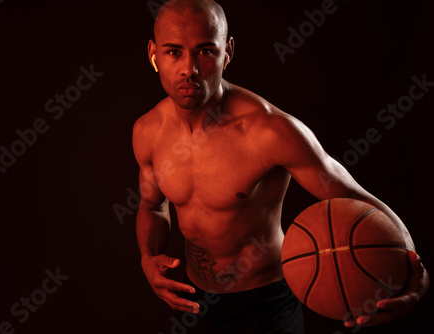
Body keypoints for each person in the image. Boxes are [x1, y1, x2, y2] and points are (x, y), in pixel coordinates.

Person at [133, 0, 429, 332]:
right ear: (153, 53)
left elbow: (355, 197)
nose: (190, 69)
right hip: (192, 301)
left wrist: (412, 265)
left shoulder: (270, 131)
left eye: (205, 51)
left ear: (227, 51)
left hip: (267, 304)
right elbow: (151, 205)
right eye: (174, 52)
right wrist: (148, 258)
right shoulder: (147, 132)